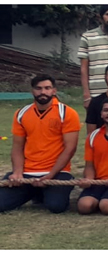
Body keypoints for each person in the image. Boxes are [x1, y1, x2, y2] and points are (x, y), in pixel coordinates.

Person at [0, 75, 80, 213]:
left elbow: (70, 149)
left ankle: (42, 193)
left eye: (47, 88)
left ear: (54, 91)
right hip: (27, 172)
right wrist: (18, 173)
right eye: (38, 88)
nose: (43, 92)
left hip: (56, 173)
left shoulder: (67, 113)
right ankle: (34, 192)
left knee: (56, 206)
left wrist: (50, 176)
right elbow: (17, 147)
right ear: (32, 91)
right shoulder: (21, 113)